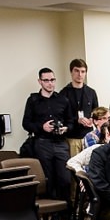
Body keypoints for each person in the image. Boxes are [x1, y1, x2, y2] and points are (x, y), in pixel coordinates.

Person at [22, 68, 71, 201]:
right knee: (47, 178)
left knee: (65, 178)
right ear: (40, 81)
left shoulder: (62, 100)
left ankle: (65, 212)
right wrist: (41, 127)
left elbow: (71, 121)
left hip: (60, 142)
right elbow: (26, 123)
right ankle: (52, 214)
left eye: (52, 80)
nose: (50, 83)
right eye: (46, 80)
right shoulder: (33, 100)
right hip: (42, 142)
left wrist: (66, 128)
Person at [60, 58, 99, 156]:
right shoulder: (63, 93)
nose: (80, 74)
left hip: (89, 136)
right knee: (74, 168)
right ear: (71, 72)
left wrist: (91, 120)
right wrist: (77, 120)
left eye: (83, 71)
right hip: (72, 138)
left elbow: (96, 113)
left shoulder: (91, 92)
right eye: (76, 71)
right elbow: (61, 117)